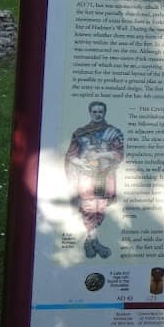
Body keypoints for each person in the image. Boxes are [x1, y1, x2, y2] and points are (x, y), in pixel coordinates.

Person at [64, 101, 124, 259]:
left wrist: (101, 155)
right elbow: (71, 156)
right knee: (89, 208)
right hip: (86, 176)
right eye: (95, 111)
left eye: (100, 111)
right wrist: (81, 162)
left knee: (100, 210)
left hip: (105, 176)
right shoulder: (80, 133)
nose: (98, 114)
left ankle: (89, 241)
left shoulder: (113, 132)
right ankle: (95, 242)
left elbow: (118, 155)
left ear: (104, 112)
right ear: (90, 112)